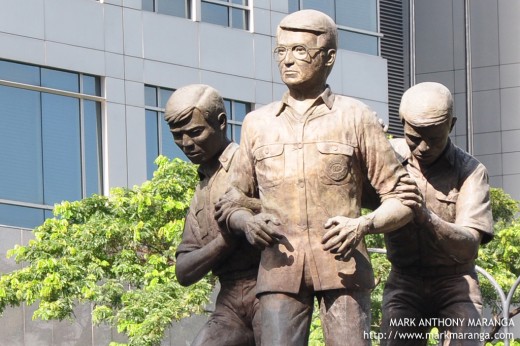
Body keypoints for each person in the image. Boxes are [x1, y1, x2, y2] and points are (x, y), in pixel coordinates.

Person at [219, 10, 416, 346]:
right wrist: (246, 223)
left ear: (329, 58)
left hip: (344, 270)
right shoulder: (257, 124)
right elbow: (230, 202)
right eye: (281, 51)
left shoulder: (355, 116)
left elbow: (403, 198)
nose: (287, 60)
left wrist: (363, 226)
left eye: (300, 50)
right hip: (279, 269)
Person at [380, 82, 494, 345]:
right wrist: (365, 145)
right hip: (404, 282)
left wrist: (426, 217)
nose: (422, 147)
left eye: (433, 138)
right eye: (413, 138)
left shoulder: (471, 171)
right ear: (403, 125)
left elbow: (468, 246)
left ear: (451, 125)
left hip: (455, 283)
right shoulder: (387, 157)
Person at [166, 84, 262, 346]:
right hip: (229, 301)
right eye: (178, 135)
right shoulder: (201, 190)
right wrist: (224, 243)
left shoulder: (251, 161)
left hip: (269, 286)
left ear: (221, 123)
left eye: (195, 132)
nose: (186, 144)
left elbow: (290, 210)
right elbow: (184, 271)